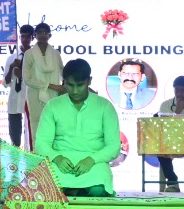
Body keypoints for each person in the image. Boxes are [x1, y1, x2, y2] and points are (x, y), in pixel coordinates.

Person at [34, 58, 122, 197]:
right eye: (70, 85)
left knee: (98, 190)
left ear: (89, 81)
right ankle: (75, 191)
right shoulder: (52, 106)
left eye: (80, 85)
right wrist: (56, 157)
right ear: (64, 82)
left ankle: (74, 191)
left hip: (94, 164)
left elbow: (114, 146)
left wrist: (91, 160)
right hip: (60, 163)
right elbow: (41, 144)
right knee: (47, 190)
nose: (75, 91)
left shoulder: (105, 106)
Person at [22, 22, 64, 149]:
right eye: (39, 32)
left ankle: (54, 155)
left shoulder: (56, 54)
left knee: (54, 125)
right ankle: (38, 156)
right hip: (35, 96)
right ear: (35, 35)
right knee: (37, 125)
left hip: (54, 95)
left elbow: (63, 72)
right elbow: (27, 79)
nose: (42, 35)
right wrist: (50, 86)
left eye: (45, 33)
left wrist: (65, 87)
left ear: (49, 35)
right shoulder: (29, 54)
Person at [4, 24, 34, 145]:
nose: (25, 39)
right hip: (15, 98)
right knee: (15, 135)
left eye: (28, 37)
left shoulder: (35, 58)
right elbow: (5, 82)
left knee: (31, 131)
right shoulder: (12, 58)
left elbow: (37, 79)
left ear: (32, 38)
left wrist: (22, 75)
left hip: (30, 98)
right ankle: (15, 153)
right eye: (23, 36)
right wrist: (12, 67)